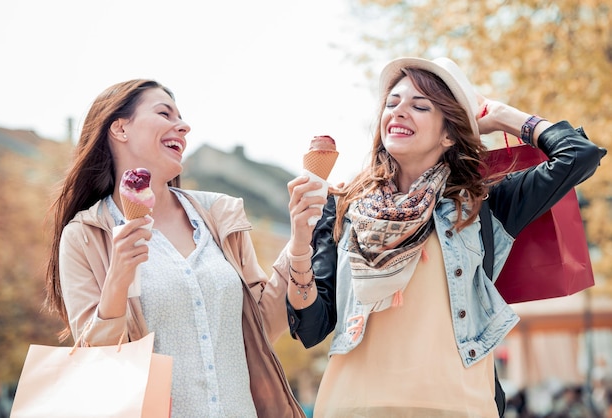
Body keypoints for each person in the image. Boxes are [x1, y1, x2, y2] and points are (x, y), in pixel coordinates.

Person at [279, 57, 606, 417]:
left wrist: (498, 114)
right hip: (356, 405)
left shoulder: (483, 203)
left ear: (449, 133)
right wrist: (299, 242)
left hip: (459, 407)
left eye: (420, 106)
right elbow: (311, 327)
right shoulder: (342, 208)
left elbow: (578, 155)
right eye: (392, 103)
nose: (400, 111)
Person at [44, 79, 308, 418]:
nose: (183, 126)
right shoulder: (85, 235)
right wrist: (118, 279)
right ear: (120, 128)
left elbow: (260, 329)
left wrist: (299, 240)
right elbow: (99, 362)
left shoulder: (219, 216)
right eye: (164, 113)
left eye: (181, 118)